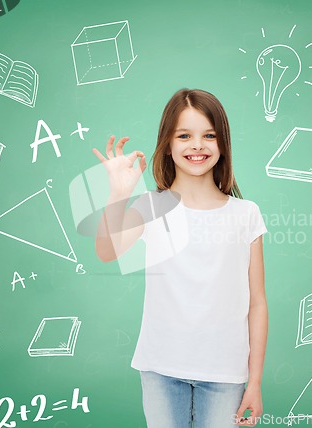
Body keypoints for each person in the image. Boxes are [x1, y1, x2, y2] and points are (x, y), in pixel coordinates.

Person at [93, 89, 268, 427]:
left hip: (225, 372)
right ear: (168, 144)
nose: (197, 145)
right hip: (161, 368)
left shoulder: (245, 213)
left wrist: (255, 382)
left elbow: (257, 303)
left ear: (223, 143)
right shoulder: (152, 206)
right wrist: (119, 193)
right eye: (184, 135)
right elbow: (106, 251)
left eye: (209, 135)